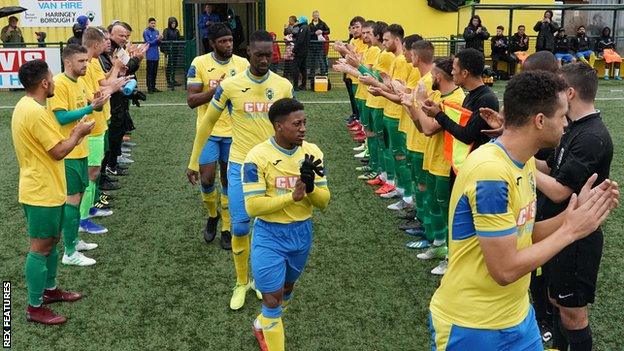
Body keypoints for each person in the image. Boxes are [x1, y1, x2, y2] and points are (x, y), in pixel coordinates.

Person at [429, 69, 619, 350]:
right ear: (540, 121)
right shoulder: (491, 174)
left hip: (518, 318)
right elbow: (504, 269)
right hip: (473, 326)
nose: (566, 124)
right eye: (561, 116)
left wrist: (573, 216)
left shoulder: (523, 160)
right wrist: (570, 230)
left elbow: (525, 232)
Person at [187, 30, 294, 311]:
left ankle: (260, 280)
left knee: (266, 227)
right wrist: (192, 160)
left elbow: (295, 125)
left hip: (271, 168)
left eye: (268, 55)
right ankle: (240, 282)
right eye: (259, 55)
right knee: (240, 226)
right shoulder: (231, 86)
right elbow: (207, 122)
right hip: (240, 165)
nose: (264, 60)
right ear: (249, 54)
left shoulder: (283, 85)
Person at [537, 63, 614, 351]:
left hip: (579, 237)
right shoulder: (573, 126)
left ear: (569, 92)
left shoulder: (592, 137)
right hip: (561, 230)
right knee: (557, 302)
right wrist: (511, 148)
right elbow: (550, 167)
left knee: (573, 314)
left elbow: (559, 192)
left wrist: (517, 166)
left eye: (557, 88)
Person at [12, 60, 94, 325]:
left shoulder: (30, 106)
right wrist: (79, 133)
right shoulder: (34, 111)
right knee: (40, 248)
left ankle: (49, 291)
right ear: (44, 83)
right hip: (40, 191)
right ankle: (34, 306)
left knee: (52, 242)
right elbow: (58, 151)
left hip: (48, 188)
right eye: (51, 78)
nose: (55, 82)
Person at [245, 98, 330, 351]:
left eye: (305, 122)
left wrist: (311, 188)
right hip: (269, 235)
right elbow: (253, 206)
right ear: (279, 126)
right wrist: (291, 197)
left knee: (286, 291)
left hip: (302, 233)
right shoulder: (257, 156)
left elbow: (324, 202)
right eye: (297, 123)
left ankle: (262, 325)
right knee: (272, 300)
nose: (303, 128)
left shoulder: (312, 153)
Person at [186, 23, 249, 250]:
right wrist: (219, 89)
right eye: (223, 41)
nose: (228, 44)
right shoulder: (199, 63)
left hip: (235, 133)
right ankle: (213, 215)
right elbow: (192, 101)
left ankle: (226, 227)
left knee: (228, 181)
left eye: (230, 40)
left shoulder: (243, 64)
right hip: (209, 132)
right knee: (206, 180)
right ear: (212, 43)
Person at [401, 56, 466, 275]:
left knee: (447, 211)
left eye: (432, 75)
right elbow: (421, 127)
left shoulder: (455, 99)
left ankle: (450, 256)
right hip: (432, 158)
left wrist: (418, 101)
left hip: (445, 163)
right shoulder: (439, 95)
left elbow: (429, 129)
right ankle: (438, 245)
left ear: (438, 76)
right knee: (432, 203)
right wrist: (411, 106)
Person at [47, 44, 110, 265]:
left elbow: (91, 107)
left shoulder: (81, 81)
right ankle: (70, 252)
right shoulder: (59, 84)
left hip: (81, 148)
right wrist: (90, 108)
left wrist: (99, 104)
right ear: (68, 62)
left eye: (86, 60)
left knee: (79, 197)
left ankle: (73, 240)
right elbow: (62, 118)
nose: (86, 64)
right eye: (81, 61)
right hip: (68, 152)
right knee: (72, 201)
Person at [420, 48, 499, 183]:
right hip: (463, 166)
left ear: (465, 73)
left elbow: (467, 136)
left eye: (454, 69)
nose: (451, 72)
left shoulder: (486, 99)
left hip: (475, 170)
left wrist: (439, 115)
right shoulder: (471, 95)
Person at [79, 28, 127, 235]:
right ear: (96, 44)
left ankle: (89, 208)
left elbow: (102, 84)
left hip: (99, 123)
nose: (108, 44)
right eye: (105, 41)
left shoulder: (93, 62)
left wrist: (115, 76)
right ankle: (82, 218)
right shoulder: (87, 65)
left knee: (95, 171)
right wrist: (115, 78)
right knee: (91, 173)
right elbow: (98, 91)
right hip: (93, 125)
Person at [102, 22, 144, 177]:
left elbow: (126, 68)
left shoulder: (116, 50)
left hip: (118, 96)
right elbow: (123, 68)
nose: (125, 38)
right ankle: (110, 165)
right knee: (112, 133)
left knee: (118, 129)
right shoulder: (105, 54)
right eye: (121, 35)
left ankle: (113, 161)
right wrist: (136, 59)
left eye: (126, 36)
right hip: (110, 100)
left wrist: (135, 59)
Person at [308, 10, 331, 89]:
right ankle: (311, 75)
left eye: (317, 15)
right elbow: (308, 34)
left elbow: (328, 31)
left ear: (318, 16)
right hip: (312, 46)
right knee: (312, 61)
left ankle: (323, 74)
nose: (315, 16)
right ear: (312, 16)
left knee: (321, 60)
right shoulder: (310, 25)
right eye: (314, 15)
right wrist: (314, 33)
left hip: (320, 45)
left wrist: (322, 32)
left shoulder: (322, 23)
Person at [162, 17, 182, 90]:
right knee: (169, 66)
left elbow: (179, 40)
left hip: (175, 51)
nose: (173, 25)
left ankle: (173, 79)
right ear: (169, 24)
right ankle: (168, 81)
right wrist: (166, 50)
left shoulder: (177, 31)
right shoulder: (166, 31)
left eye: (174, 23)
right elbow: (165, 40)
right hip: (169, 51)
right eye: (172, 23)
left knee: (174, 65)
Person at [143, 17, 163, 93]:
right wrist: (157, 39)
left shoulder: (156, 31)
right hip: (150, 56)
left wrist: (160, 39)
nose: (153, 24)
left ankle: (154, 87)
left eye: (154, 23)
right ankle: (149, 88)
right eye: (152, 23)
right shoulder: (146, 32)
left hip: (156, 55)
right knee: (149, 73)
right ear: (148, 23)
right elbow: (148, 43)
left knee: (154, 72)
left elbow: (158, 43)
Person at [292, 16, 310, 91]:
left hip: (300, 51)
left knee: (295, 68)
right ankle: (303, 85)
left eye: (298, 20)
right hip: (305, 51)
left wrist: (294, 49)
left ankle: (295, 86)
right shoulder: (306, 27)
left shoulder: (303, 28)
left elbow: (300, 40)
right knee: (303, 68)